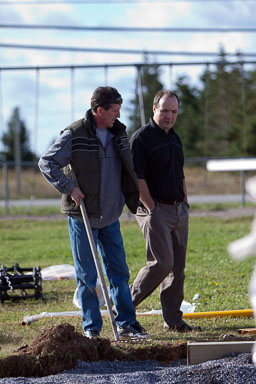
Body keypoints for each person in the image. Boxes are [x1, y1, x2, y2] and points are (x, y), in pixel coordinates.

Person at [38, 86, 149, 339]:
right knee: (87, 275)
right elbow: (47, 162)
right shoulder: (74, 134)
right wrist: (70, 188)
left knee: (119, 273)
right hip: (83, 216)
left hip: (110, 217)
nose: (117, 117)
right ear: (99, 111)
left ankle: (126, 323)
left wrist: (125, 198)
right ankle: (92, 329)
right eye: (114, 111)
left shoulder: (119, 134)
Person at [130, 90, 201, 333]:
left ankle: (173, 321)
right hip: (154, 208)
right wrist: (152, 209)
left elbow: (180, 174)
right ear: (154, 109)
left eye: (174, 112)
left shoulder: (175, 138)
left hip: (178, 210)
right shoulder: (141, 139)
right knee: (162, 263)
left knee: (177, 269)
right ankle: (125, 311)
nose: (169, 116)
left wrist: (185, 203)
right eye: (164, 111)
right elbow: (136, 178)